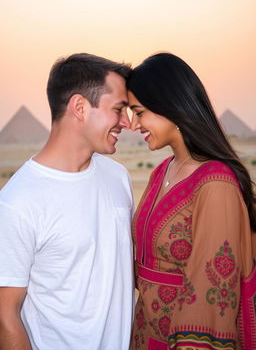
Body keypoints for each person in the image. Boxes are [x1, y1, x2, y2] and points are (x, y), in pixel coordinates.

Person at [0, 53, 134, 350]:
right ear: (80, 107)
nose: (127, 121)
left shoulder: (118, 177)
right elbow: (5, 315)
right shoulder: (17, 202)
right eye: (118, 109)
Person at [127, 52, 256, 350]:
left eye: (140, 111)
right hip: (144, 335)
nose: (134, 124)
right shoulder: (161, 172)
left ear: (168, 106)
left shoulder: (215, 183)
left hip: (186, 341)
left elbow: (213, 287)